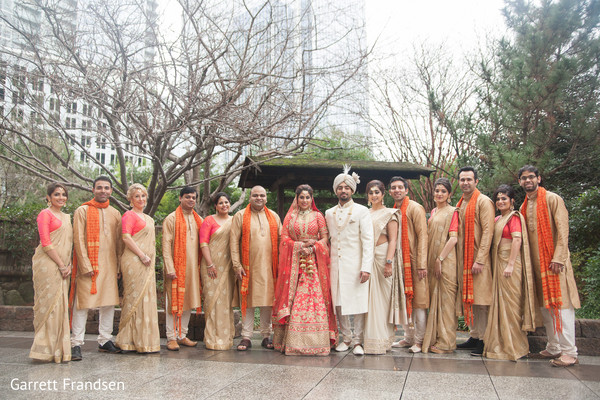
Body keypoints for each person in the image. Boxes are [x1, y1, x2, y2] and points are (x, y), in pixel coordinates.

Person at [518, 165, 580, 367]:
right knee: (546, 308)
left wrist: (558, 258)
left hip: (555, 264)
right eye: (524, 178)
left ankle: (570, 352)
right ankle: (554, 347)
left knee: (561, 307)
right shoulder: (524, 206)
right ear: (520, 182)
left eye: (531, 177)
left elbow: (563, 230)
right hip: (537, 267)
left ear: (539, 178)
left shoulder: (552, 199)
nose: (528, 181)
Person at [272, 184, 337, 355]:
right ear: (297, 198)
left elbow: (325, 238)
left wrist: (313, 247)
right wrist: (298, 245)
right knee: (294, 300)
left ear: (312, 198)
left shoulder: (318, 216)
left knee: (314, 300)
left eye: (308, 197)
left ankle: (318, 343)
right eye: (302, 197)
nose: (305, 200)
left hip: (313, 265)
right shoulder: (290, 217)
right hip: (294, 263)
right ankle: (291, 342)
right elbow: (284, 238)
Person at [70, 176, 122, 361]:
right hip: (89, 265)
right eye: (99, 187)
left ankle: (105, 340)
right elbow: (78, 239)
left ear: (111, 191)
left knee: (108, 303)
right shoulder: (82, 211)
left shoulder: (115, 213)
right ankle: (76, 343)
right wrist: (85, 264)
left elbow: (118, 243)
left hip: (109, 265)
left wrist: (118, 266)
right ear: (93, 190)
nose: (103, 191)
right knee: (82, 304)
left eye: (106, 188)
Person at [483, 184, 537, 361]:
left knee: (512, 305)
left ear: (512, 200)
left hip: (510, 264)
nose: (500, 201)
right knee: (499, 304)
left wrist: (511, 264)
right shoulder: (498, 219)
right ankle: (500, 345)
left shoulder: (514, 217)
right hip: (498, 263)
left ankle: (516, 347)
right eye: (498, 199)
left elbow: (517, 240)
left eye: (504, 198)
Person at [325, 165, 374, 355]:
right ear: (336, 190)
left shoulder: (362, 211)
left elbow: (368, 240)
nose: (343, 190)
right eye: (340, 187)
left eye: (347, 187)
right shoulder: (329, 213)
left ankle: (358, 341)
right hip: (336, 265)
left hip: (356, 265)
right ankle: (345, 338)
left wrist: (366, 267)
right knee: (339, 303)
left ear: (352, 190)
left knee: (358, 303)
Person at [230, 186, 282, 351]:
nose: (259, 198)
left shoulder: (273, 216)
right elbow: (233, 242)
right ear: (249, 197)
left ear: (266, 198)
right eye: (255, 195)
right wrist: (236, 265)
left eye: (262, 195)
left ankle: (266, 336)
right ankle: (246, 337)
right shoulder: (239, 216)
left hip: (269, 267)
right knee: (248, 302)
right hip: (248, 267)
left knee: (268, 302)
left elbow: (282, 241)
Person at [29, 183, 73, 363]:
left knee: (61, 305)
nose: (61, 197)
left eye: (63, 194)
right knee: (48, 304)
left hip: (64, 266)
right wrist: (62, 265)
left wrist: (68, 264)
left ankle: (59, 349)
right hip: (48, 265)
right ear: (48, 197)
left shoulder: (67, 217)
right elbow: (46, 243)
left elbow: (69, 244)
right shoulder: (44, 215)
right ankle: (43, 349)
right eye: (56, 194)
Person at [115, 184, 160, 353]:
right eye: (137, 196)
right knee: (133, 298)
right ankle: (127, 340)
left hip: (147, 263)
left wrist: (148, 258)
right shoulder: (129, 215)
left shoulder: (149, 219)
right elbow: (126, 238)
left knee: (146, 299)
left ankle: (145, 340)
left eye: (143, 196)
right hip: (134, 261)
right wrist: (141, 255)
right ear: (130, 199)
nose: (141, 199)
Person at [455, 166, 494, 356]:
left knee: (482, 300)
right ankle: (475, 335)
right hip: (464, 259)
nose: (465, 183)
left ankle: (484, 340)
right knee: (472, 299)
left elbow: (488, 231)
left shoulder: (484, 202)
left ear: (476, 181)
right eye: (462, 179)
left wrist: (480, 259)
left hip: (479, 260)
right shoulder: (461, 203)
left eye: (469, 179)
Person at [363, 180, 406, 355]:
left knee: (382, 301)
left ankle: (383, 340)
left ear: (383, 194)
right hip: (367, 258)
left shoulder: (390, 214)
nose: (374, 195)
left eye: (377, 192)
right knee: (369, 300)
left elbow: (393, 240)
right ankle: (371, 340)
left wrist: (389, 262)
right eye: (371, 192)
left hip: (383, 259)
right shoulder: (364, 213)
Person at [389, 176, 428, 354]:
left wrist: (421, 264)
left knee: (418, 302)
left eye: (400, 187)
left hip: (413, 262)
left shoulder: (415, 208)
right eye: (393, 188)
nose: (397, 190)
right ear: (390, 192)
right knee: (403, 300)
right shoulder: (393, 210)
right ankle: (408, 337)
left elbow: (422, 236)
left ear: (406, 190)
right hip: (398, 263)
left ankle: (420, 340)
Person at [162, 187, 203, 351]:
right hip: (176, 269)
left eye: (193, 197)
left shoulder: (199, 219)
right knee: (173, 303)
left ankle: (182, 335)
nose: (191, 200)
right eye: (187, 197)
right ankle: (171, 337)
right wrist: (169, 267)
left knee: (188, 302)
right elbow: (165, 245)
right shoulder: (171, 219)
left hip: (193, 269)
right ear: (180, 198)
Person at [422, 178, 460, 354]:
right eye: (437, 190)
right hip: (432, 260)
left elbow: (453, 238)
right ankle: (437, 338)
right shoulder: (434, 211)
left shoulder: (453, 212)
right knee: (435, 301)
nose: (439, 194)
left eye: (443, 191)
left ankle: (447, 342)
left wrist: (440, 259)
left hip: (446, 261)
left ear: (449, 194)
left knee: (446, 302)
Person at [200, 192, 235, 350]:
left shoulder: (234, 221)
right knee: (212, 301)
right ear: (215, 206)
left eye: (226, 202)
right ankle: (213, 339)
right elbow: (204, 244)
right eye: (220, 203)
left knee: (226, 302)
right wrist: (209, 263)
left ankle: (226, 338)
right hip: (211, 266)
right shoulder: (209, 220)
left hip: (228, 267)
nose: (224, 205)